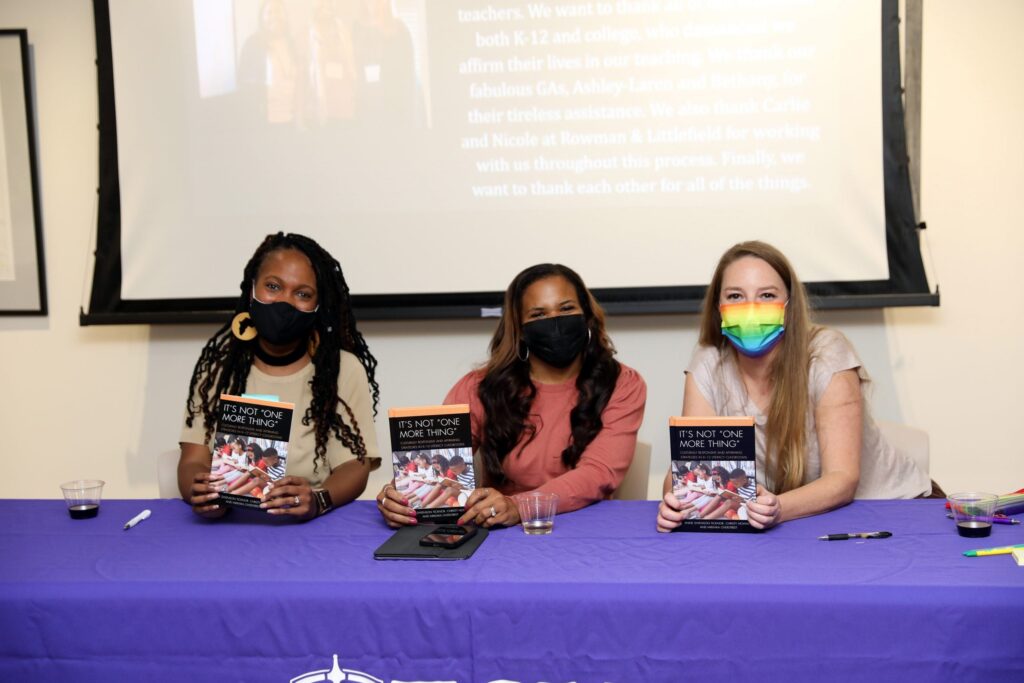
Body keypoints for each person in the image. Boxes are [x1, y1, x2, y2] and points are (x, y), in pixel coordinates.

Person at [657, 241, 931, 532]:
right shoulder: (708, 363)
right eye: (735, 296)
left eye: (767, 295)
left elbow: (842, 478)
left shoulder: (827, 354)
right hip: (800, 521)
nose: (751, 308)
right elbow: (690, 469)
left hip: (894, 509)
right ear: (718, 307)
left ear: (789, 306)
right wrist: (678, 503)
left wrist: (778, 508)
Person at [377, 263, 647, 528]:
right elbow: (436, 465)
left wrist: (520, 505)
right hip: (499, 530)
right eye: (538, 315)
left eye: (566, 309)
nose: (554, 322)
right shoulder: (479, 387)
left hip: (588, 531)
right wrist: (402, 494)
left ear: (587, 315)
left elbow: (598, 472)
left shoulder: (622, 383)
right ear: (520, 328)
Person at [178, 232, 381, 520]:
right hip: (227, 527)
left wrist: (319, 500)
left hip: (306, 528)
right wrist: (198, 490)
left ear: (318, 306)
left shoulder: (342, 369)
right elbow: (192, 461)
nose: (284, 302)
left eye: (302, 294)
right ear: (252, 290)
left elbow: (354, 467)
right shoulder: (220, 370)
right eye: (273, 286)